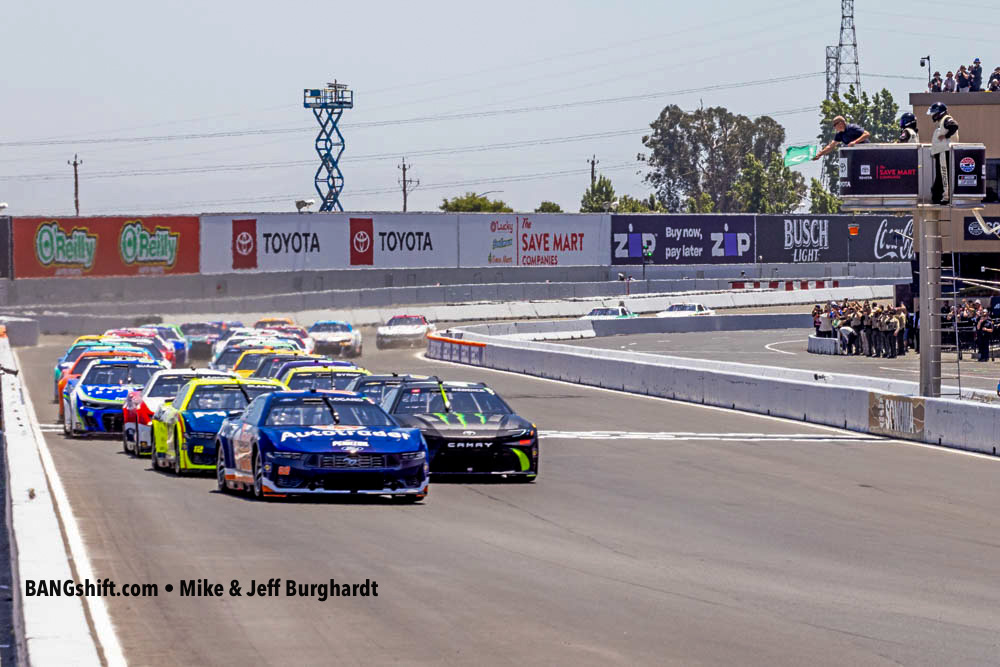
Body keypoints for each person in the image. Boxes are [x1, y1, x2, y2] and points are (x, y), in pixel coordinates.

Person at [928, 102, 960, 205]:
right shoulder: (942, 121)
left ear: (939, 113)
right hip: (941, 152)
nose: (933, 116)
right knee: (940, 175)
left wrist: (946, 136)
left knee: (944, 174)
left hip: (945, 152)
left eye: (934, 113)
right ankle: (937, 195)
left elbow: (954, 126)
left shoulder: (946, 118)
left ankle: (945, 197)